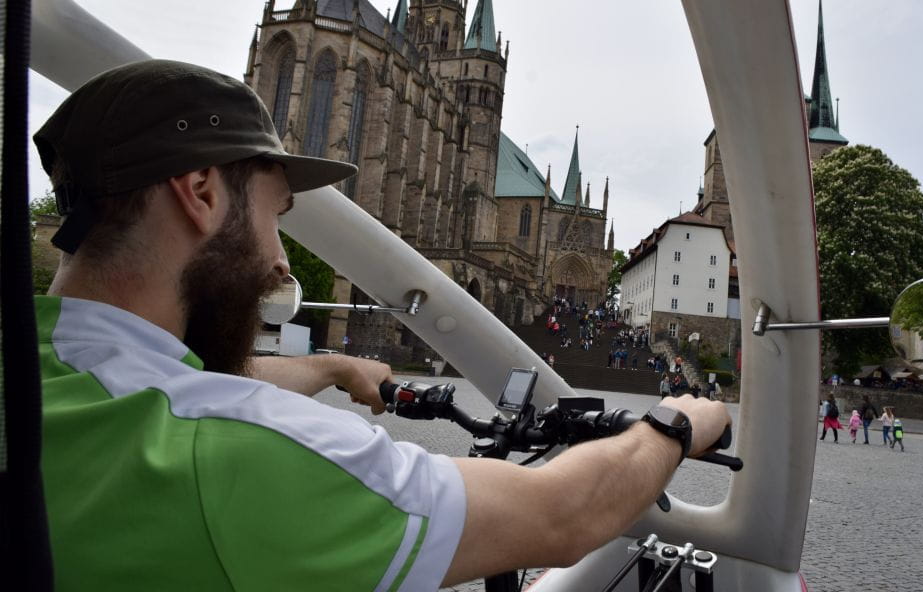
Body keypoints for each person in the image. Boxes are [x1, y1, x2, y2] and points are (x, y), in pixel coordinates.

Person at [34, 60, 730, 590]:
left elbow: (183, 381)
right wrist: (675, 423)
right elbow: (561, 515)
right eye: (275, 214)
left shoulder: (47, 370)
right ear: (202, 194)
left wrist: (332, 365)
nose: (280, 259)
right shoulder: (240, 455)